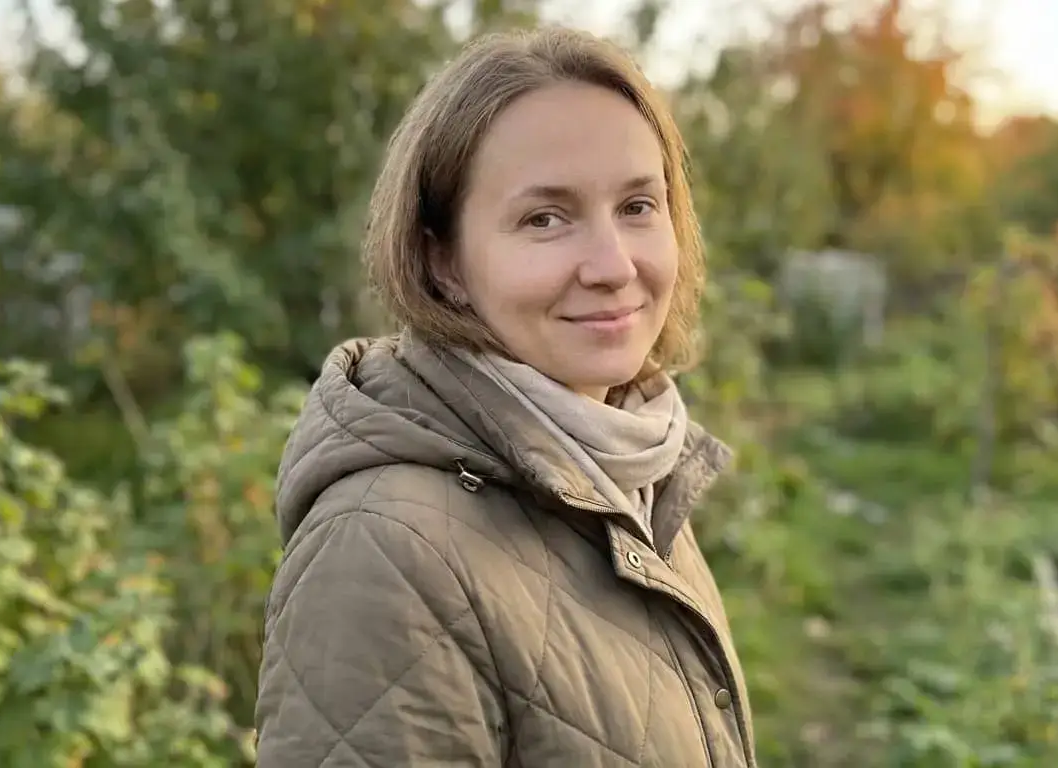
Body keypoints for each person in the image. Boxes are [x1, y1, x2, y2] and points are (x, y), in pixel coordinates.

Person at [254, 25, 756, 768]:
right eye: (545, 219)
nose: (613, 266)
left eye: (637, 206)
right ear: (444, 261)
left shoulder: (628, 467)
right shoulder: (382, 553)